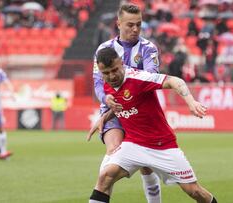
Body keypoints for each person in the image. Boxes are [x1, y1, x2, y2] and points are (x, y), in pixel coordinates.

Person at [87, 47, 217, 203]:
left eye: (114, 70)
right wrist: (105, 117)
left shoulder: (139, 78)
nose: (111, 76)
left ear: (122, 63)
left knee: (195, 192)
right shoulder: (107, 84)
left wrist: (191, 101)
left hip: (162, 146)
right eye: (106, 73)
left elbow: (175, 81)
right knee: (105, 176)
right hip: (133, 144)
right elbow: (125, 103)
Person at [92, 4, 162, 203]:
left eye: (139, 25)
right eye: (130, 25)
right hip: (112, 110)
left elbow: (151, 78)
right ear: (118, 24)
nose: (135, 29)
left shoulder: (149, 49)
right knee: (112, 157)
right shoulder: (104, 49)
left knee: (146, 165)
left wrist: (126, 89)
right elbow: (97, 81)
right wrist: (105, 98)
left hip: (139, 111)